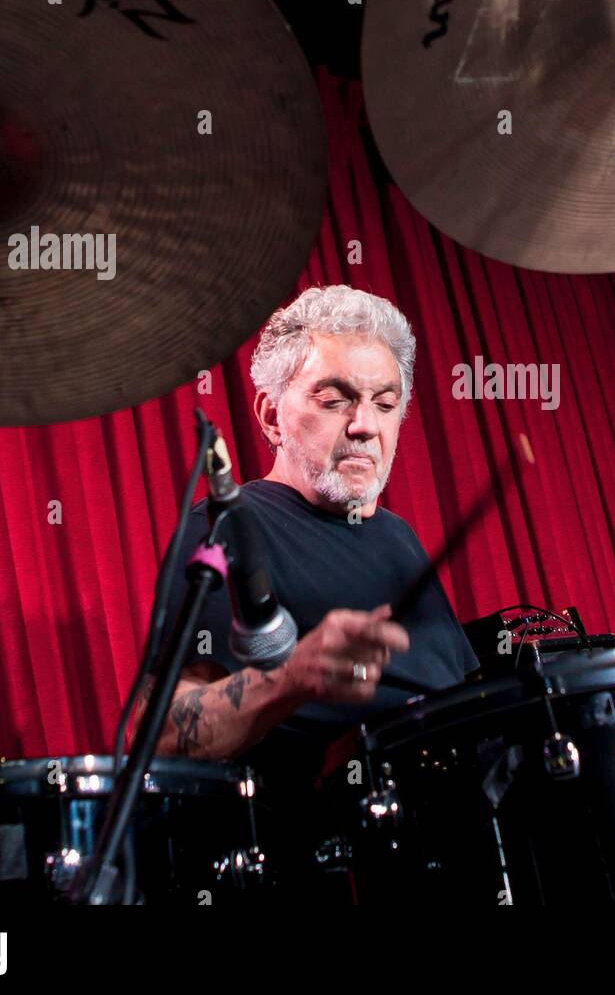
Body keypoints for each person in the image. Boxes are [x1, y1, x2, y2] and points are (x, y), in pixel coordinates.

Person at [134, 285, 479, 774]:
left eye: (385, 404)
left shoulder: (399, 536)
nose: (365, 425)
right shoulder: (228, 529)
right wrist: (290, 678)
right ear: (271, 416)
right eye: (336, 400)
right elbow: (157, 734)